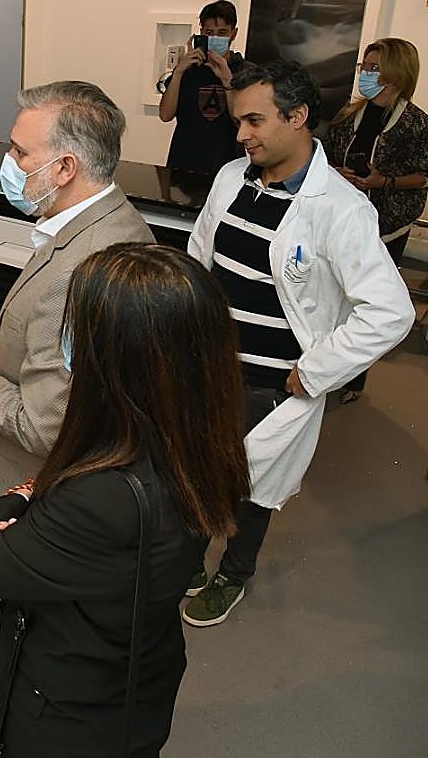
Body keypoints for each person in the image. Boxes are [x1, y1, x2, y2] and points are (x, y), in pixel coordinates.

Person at [0, 242, 251, 758]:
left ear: (118, 356)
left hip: (70, 714)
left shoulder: (100, 495)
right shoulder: (205, 439)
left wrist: (25, 493)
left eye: (75, 328)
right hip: (139, 680)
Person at [183, 61, 415, 627]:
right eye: (239, 122)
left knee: (254, 487)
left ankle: (233, 574)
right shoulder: (231, 177)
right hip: (208, 365)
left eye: (255, 121)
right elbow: (198, 256)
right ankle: (187, 559)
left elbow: (390, 312)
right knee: (192, 467)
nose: (241, 135)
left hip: (272, 384)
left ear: (297, 117)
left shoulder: (339, 208)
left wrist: (314, 373)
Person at [0, 81, 154, 504]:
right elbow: (46, 345)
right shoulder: (109, 221)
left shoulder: (82, 269)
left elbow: (40, 426)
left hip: (43, 492)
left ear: (65, 168)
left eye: (20, 152)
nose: (8, 162)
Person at [325, 38, 428, 402]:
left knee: (365, 303)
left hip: (388, 223)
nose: (365, 75)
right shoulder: (349, 114)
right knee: (334, 295)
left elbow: (424, 175)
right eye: (364, 67)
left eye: (373, 68)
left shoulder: (416, 124)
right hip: (344, 216)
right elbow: (327, 154)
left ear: (396, 75)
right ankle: (327, 367)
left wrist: (382, 182)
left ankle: (354, 381)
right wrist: (336, 172)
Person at [159, 0, 247, 204]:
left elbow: (241, 121)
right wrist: (179, 71)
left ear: (233, 33)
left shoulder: (245, 71)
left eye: (222, 32)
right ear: (200, 33)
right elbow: (165, 114)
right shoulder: (189, 70)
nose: (215, 37)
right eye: (209, 33)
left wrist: (227, 80)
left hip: (227, 165)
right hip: (184, 163)